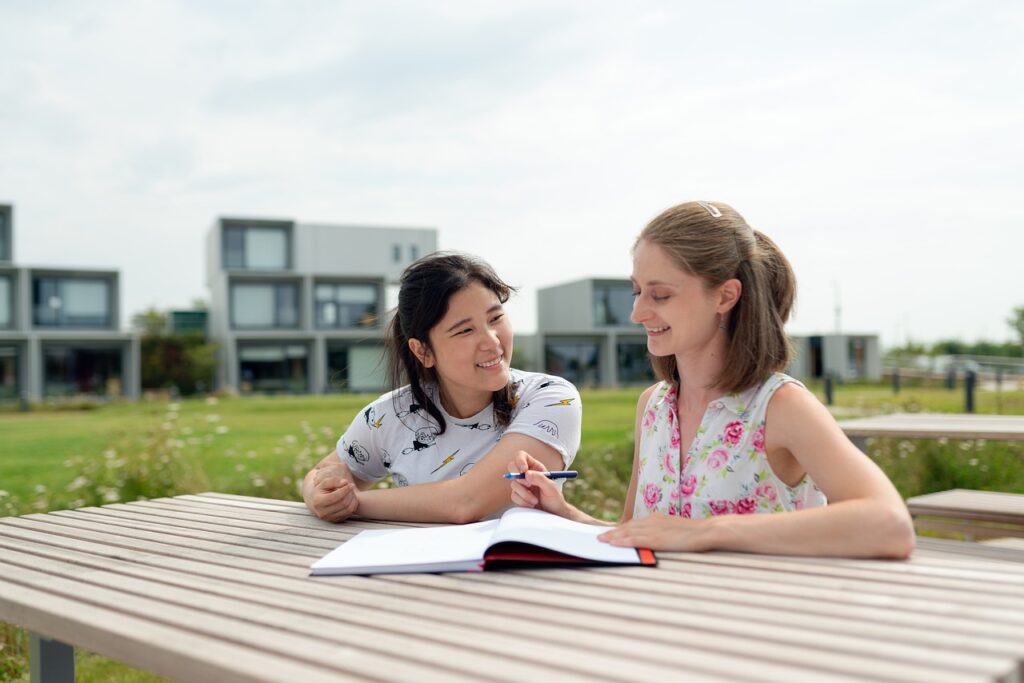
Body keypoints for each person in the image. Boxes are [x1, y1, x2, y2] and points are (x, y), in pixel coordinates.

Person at [509, 201, 915, 558]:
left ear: (725, 296)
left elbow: (890, 524)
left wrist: (705, 533)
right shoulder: (652, 407)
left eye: (660, 295)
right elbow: (640, 535)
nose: (637, 313)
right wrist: (563, 512)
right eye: (636, 292)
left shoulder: (781, 407)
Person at [303, 252, 582, 524]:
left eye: (495, 318)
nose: (492, 342)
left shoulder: (552, 398)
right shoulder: (388, 416)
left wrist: (354, 503)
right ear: (422, 351)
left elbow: (466, 502)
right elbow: (323, 473)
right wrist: (319, 495)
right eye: (465, 330)